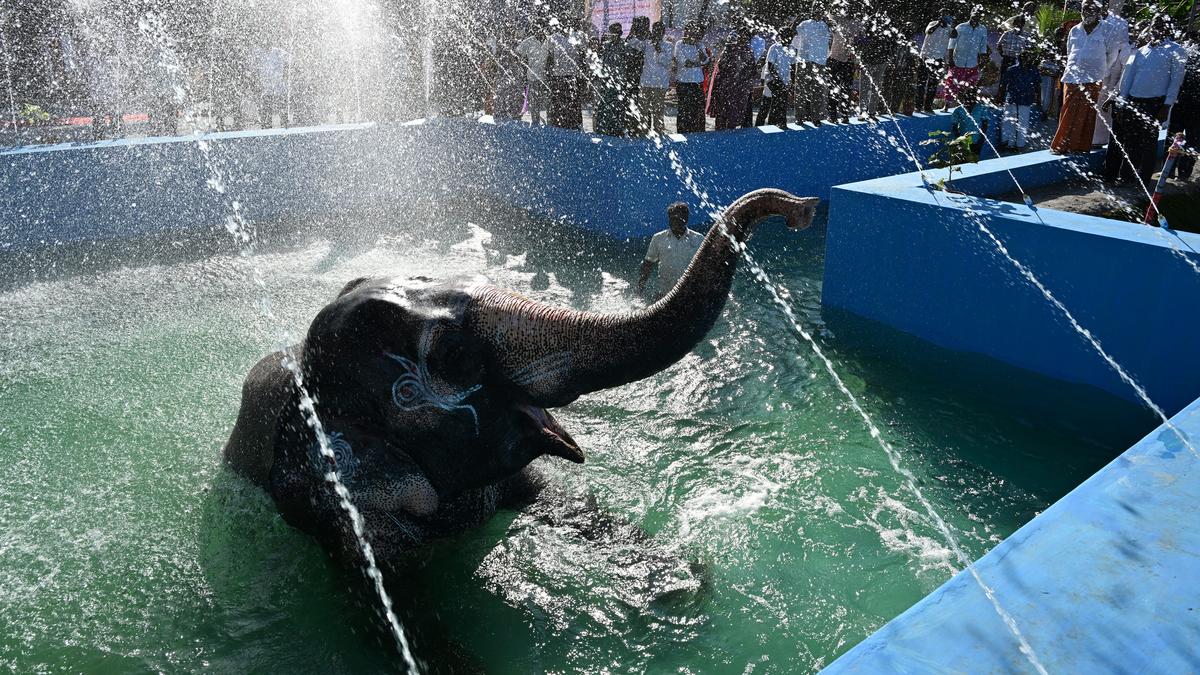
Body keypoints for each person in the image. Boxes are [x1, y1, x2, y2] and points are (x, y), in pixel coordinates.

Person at [1103, 17, 1187, 184]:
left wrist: (1166, 105)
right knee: (1131, 141)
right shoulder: (1141, 51)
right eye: (1154, 24)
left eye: (1161, 25)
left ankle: (1144, 178)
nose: (1157, 28)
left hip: (1155, 103)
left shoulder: (1176, 50)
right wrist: (1122, 102)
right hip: (1134, 101)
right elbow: (1128, 79)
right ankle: (1127, 177)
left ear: (1168, 28)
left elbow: (1176, 80)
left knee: (1148, 142)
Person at [1052, 0, 1117, 153]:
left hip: (1093, 79)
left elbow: (1112, 56)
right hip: (1072, 77)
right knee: (1067, 111)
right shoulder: (1075, 30)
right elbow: (1069, 52)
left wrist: (1100, 73)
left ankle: (1078, 146)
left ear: (1099, 11)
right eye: (1085, 8)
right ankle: (1061, 145)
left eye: (1091, 8)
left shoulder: (1107, 30)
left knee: (1086, 115)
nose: (1087, 11)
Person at [637, 201, 704, 299]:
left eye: (677, 218)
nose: (674, 221)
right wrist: (640, 288)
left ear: (686, 219)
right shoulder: (658, 238)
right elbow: (648, 264)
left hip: (691, 295)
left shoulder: (698, 239)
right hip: (664, 295)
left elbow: (706, 266)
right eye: (671, 218)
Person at [1093, 0, 1132, 144]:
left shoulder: (1125, 49)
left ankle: (1101, 140)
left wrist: (1114, 93)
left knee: (1104, 114)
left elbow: (1124, 74)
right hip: (1101, 81)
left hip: (1112, 86)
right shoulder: (1107, 45)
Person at [1168, 32, 1200, 180]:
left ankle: (1184, 174)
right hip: (1181, 101)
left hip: (1197, 106)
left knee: (1194, 139)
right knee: (1174, 135)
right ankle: (1168, 169)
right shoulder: (1189, 49)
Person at [595, 23, 637, 135]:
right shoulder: (606, 46)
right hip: (607, 79)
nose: (613, 35)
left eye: (616, 32)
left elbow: (630, 62)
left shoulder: (625, 46)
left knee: (618, 105)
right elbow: (599, 59)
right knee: (604, 104)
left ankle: (617, 129)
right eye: (612, 32)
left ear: (620, 34)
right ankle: (604, 129)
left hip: (619, 80)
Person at [711, 29, 757, 129]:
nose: (743, 39)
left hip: (738, 89)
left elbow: (752, 71)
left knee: (733, 115)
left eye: (745, 38)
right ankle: (721, 135)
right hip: (727, 87)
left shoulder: (748, 52)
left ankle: (728, 136)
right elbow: (721, 66)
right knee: (723, 114)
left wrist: (746, 86)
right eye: (741, 37)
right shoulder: (730, 48)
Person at [944, 8, 989, 108]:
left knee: (968, 86)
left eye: (978, 15)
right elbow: (952, 44)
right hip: (957, 61)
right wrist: (950, 59)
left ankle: (961, 107)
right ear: (971, 14)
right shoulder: (961, 27)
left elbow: (983, 45)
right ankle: (946, 105)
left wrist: (982, 60)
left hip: (972, 63)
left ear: (980, 17)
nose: (976, 16)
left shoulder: (982, 29)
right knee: (951, 83)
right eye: (974, 14)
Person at [792, 8, 831, 124]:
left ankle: (816, 117)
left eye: (821, 12)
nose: (819, 14)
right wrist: (796, 21)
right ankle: (799, 117)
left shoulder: (825, 26)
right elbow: (793, 32)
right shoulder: (804, 24)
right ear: (813, 12)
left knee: (818, 90)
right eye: (817, 11)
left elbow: (829, 41)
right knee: (801, 89)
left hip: (819, 62)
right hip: (804, 60)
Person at [548, 19, 585, 129]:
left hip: (573, 76)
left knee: (574, 102)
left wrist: (583, 76)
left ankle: (575, 125)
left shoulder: (578, 37)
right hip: (558, 76)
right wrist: (549, 75)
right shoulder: (553, 38)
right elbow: (549, 57)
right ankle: (558, 124)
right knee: (559, 102)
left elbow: (582, 56)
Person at [757, 25, 797, 126]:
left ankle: (779, 123)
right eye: (787, 36)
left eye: (791, 37)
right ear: (781, 37)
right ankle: (762, 124)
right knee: (770, 103)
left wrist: (792, 82)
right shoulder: (774, 48)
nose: (789, 39)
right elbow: (770, 66)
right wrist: (778, 80)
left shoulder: (792, 49)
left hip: (784, 80)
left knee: (780, 103)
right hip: (772, 79)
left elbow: (792, 67)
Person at [674, 23, 711, 133]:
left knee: (697, 110)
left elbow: (705, 60)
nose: (692, 33)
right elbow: (684, 62)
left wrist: (698, 47)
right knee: (684, 109)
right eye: (689, 30)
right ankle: (683, 132)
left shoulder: (699, 44)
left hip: (697, 82)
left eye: (694, 30)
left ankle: (697, 131)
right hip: (683, 82)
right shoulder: (679, 44)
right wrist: (698, 64)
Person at [1001, 52, 1040, 149]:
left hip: (1025, 98)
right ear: (1020, 59)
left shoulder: (1033, 70)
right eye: (1025, 58)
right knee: (1011, 120)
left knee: (1022, 121)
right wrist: (1000, 96)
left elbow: (1038, 85)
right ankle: (1009, 143)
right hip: (1013, 98)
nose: (1027, 60)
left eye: (1028, 58)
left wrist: (1039, 99)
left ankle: (1018, 144)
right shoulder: (1012, 69)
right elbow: (1004, 84)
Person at [639, 21, 673, 134]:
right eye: (655, 30)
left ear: (663, 32)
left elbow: (667, 62)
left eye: (659, 31)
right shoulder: (647, 43)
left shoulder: (668, 45)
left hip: (659, 83)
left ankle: (659, 132)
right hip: (646, 82)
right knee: (643, 110)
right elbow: (632, 44)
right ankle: (643, 131)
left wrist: (659, 50)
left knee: (658, 110)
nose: (657, 33)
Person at [918, 11, 954, 112]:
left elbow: (954, 35)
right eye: (942, 15)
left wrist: (950, 25)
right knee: (921, 82)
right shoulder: (932, 23)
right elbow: (929, 31)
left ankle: (928, 107)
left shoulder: (949, 29)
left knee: (933, 84)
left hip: (938, 59)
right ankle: (918, 106)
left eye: (946, 16)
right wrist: (938, 23)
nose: (944, 17)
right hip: (925, 57)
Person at [516, 25, 550, 125]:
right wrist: (524, 63)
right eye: (536, 29)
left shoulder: (549, 41)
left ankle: (548, 123)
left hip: (546, 77)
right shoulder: (529, 41)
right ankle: (535, 122)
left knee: (547, 102)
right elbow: (517, 53)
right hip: (533, 76)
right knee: (535, 102)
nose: (538, 31)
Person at [827, 16, 858, 123]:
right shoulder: (836, 21)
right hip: (835, 59)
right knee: (834, 88)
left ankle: (844, 114)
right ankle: (833, 115)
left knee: (846, 88)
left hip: (847, 61)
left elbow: (858, 41)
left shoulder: (854, 23)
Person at [996, 15, 1028, 104]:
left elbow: (1029, 49)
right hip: (1007, 59)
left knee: (1016, 81)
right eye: (1017, 23)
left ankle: (1012, 101)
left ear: (1023, 25)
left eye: (1021, 23)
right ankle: (1000, 101)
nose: (1019, 25)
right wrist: (1003, 55)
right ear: (1014, 24)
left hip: (1018, 61)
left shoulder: (1026, 35)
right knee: (1003, 80)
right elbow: (999, 45)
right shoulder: (1007, 33)